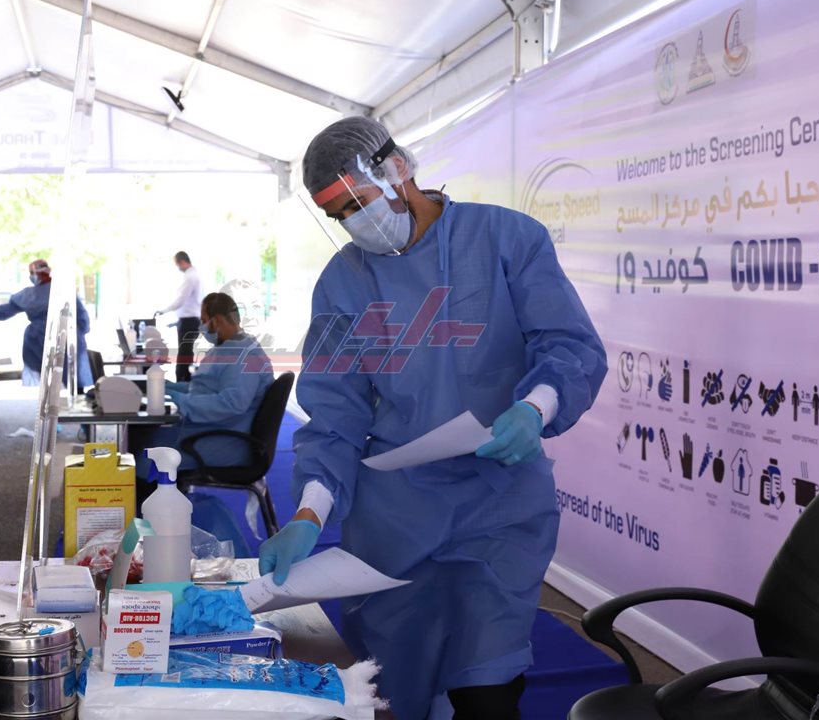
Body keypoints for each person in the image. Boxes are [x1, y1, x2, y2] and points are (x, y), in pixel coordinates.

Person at [258, 117, 607, 720]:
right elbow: (335, 409)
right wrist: (309, 513)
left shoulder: (505, 238)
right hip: (396, 515)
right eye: (339, 215)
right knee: (396, 685)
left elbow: (568, 345)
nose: (354, 222)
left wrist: (535, 408)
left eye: (358, 202)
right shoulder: (343, 284)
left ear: (397, 169)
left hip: (498, 505)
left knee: (487, 684)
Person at [131, 292, 273, 500]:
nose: (202, 327)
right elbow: (204, 388)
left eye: (204, 320)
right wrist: (167, 388)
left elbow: (231, 404)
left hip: (225, 442)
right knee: (144, 440)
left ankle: (152, 515)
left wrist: (181, 400)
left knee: (144, 461)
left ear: (218, 320)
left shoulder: (244, 355)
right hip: (213, 430)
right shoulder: (229, 348)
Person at [0, 259, 92, 390]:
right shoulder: (63, 291)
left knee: (48, 379)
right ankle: (75, 396)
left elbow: (4, 311)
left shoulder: (29, 296)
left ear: (35, 274)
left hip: (38, 341)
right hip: (67, 336)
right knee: (72, 378)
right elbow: (82, 316)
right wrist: (81, 332)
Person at [155, 251, 202, 382]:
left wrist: (164, 311)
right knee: (186, 352)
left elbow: (180, 300)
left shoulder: (190, 277)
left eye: (177, 264)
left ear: (182, 262)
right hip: (190, 320)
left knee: (184, 353)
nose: (178, 268)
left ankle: (182, 381)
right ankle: (184, 380)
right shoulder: (193, 275)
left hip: (189, 321)